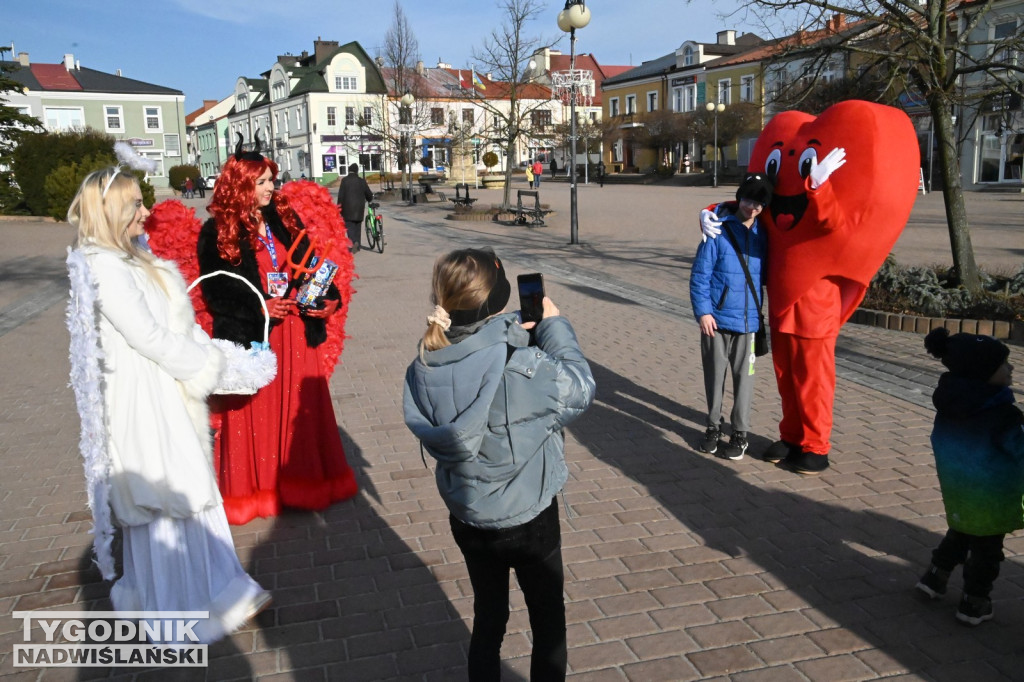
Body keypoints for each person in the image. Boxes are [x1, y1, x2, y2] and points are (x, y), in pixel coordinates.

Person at [65, 165, 269, 643]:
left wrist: (217, 353)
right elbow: (148, 336)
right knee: (165, 496)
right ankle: (174, 607)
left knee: (187, 492)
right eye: (136, 203)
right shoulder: (103, 267)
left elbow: (174, 322)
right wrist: (207, 366)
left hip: (167, 387)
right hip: (144, 398)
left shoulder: (135, 256)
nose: (147, 210)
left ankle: (218, 589)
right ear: (111, 212)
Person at [404, 249, 595, 680]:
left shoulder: (426, 361)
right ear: (498, 299)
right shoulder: (520, 364)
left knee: (489, 615)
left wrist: (518, 335)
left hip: (468, 515)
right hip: (528, 518)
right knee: (547, 619)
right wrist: (554, 327)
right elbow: (580, 389)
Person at [198, 138, 358, 525]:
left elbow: (312, 265)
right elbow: (215, 290)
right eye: (262, 182)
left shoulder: (284, 220)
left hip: (297, 334)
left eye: (272, 179)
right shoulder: (216, 231)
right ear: (241, 187)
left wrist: (327, 297)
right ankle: (257, 493)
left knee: (299, 411)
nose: (272, 187)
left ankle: (304, 485)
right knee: (257, 411)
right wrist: (260, 307)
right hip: (256, 337)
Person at [915, 328, 1022, 625]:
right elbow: (1018, 451)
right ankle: (975, 600)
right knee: (987, 550)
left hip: (959, 487)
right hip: (993, 493)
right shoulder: (1003, 414)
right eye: (1004, 365)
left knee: (960, 531)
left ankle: (935, 577)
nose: (1011, 368)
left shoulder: (950, 404)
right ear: (982, 373)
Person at [690, 174, 770, 460]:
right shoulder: (717, 231)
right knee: (714, 378)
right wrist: (703, 312)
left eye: (759, 203)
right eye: (748, 200)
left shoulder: (765, 236)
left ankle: (740, 433)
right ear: (739, 198)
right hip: (717, 321)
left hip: (748, 324)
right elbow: (700, 275)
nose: (752, 207)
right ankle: (712, 427)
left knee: (744, 382)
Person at [337, 163, 373, 253]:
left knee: (350, 227)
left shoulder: (344, 181)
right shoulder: (361, 181)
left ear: (349, 170)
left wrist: (338, 208)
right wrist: (370, 199)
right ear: (357, 171)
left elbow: (341, 196)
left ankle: (353, 243)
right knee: (357, 227)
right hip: (359, 209)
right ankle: (357, 244)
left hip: (347, 210)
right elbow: (368, 194)